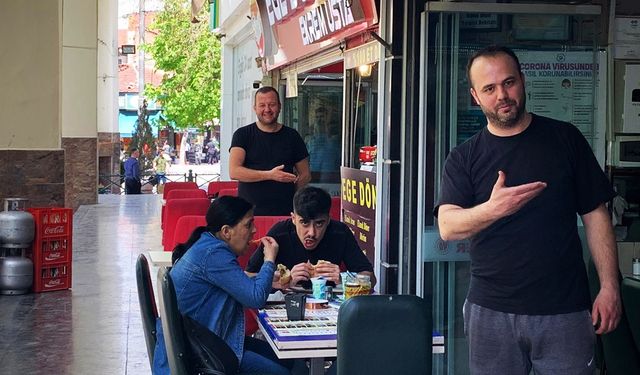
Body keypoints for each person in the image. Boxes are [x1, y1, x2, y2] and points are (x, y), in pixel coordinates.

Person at [434, 45, 621, 374]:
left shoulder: (565, 139)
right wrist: (494, 209)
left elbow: (595, 215)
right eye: (489, 89)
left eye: (508, 82)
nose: (502, 95)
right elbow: (448, 226)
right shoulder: (464, 157)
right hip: (490, 311)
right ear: (475, 97)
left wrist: (609, 287)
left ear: (523, 80)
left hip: (564, 308)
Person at [153, 196, 292, 375]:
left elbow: (233, 280)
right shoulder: (213, 253)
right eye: (248, 225)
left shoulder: (207, 245)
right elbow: (255, 298)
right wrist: (269, 259)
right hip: (199, 356)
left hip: (205, 342)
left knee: (289, 360)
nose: (255, 230)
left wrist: (265, 278)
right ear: (226, 231)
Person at [246, 186, 375, 289]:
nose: (312, 233)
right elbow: (248, 276)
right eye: (304, 223)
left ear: (328, 220)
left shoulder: (340, 232)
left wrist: (344, 278)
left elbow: (371, 279)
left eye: (319, 223)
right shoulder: (280, 233)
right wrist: (277, 280)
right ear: (294, 219)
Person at [229, 86, 311, 216]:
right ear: (255, 108)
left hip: (285, 213)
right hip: (247, 215)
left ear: (279, 106)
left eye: (272, 104)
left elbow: (305, 174)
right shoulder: (242, 135)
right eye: (262, 105)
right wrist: (270, 175)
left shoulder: (292, 136)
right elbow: (234, 172)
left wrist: (293, 196)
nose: (267, 109)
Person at [306, 107, 340, 176]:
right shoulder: (311, 139)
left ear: (327, 117)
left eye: (322, 116)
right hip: (313, 172)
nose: (319, 119)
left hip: (329, 172)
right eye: (317, 117)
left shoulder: (334, 134)